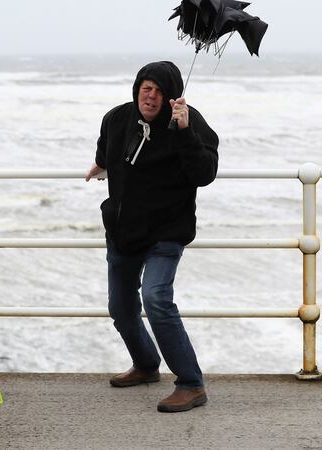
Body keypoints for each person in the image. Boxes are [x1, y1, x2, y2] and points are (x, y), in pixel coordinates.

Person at [85, 61, 219, 413]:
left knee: (156, 298)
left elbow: (204, 173)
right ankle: (146, 365)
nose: (151, 95)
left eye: (159, 90)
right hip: (123, 230)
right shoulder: (117, 118)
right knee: (121, 308)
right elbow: (107, 151)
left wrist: (185, 132)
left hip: (166, 231)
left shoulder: (190, 122)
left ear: (171, 95)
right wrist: (100, 166)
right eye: (146, 88)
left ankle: (191, 383)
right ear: (137, 89)